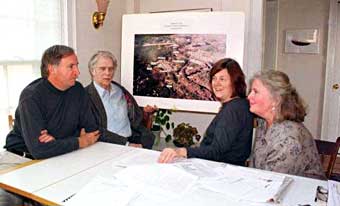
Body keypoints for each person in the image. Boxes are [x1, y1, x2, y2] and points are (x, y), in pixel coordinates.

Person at [4, 45, 101, 159]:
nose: (77, 72)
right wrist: (80, 141)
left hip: (61, 154)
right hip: (22, 158)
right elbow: (39, 150)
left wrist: (57, 141)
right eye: (71, 66)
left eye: (77, 66)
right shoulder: (31, 96)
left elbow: (92, 131)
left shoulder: (77, 89)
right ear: (52, 69)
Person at [158, 58, 254, 166]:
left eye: (222, 79)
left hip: (225, 173)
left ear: (235, 82)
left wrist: (180, 151)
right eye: (214, 78)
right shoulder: (238, 105)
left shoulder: (233, 109)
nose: (216, 84)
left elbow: (216, 151)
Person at [248, 70, 325, 179]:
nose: (249, 97)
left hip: (303, 192)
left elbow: (273, 184)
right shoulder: (263, 123)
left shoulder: (287, 138)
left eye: (255, 92)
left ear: (275, 100)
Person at [86, 51, 155, 149]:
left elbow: (133, 115)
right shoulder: (86, 96)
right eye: (103, 68)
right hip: (107, 145)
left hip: (132, 139)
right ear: (93, 71)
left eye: (111, 69)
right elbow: (94, 129)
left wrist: (145, 112)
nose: (107, 73)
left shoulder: (120, 90)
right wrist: (126, 144)